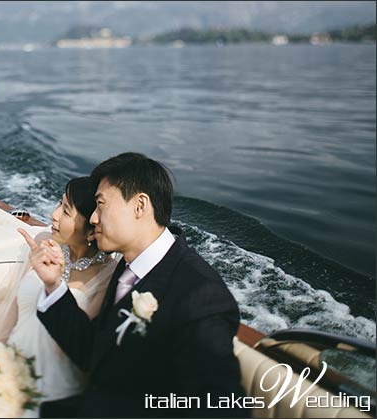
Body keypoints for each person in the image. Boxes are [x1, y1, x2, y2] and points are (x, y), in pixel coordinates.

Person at [22, 152, 248, 418]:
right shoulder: (127, 266)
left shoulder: (201, 297)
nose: (93, 218)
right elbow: (94, 351)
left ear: (140, 206)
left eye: (100, 204)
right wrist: (53, 286)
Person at [0, 176, 120, 418]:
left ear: (92, 229)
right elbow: (13, 316)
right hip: (8, 365)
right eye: (59, 203)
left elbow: (79, 346)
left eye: (66, 211)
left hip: (55, 389)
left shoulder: (108, 276)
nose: (54, 215)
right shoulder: (42, 242)